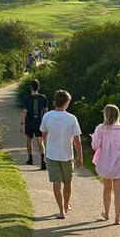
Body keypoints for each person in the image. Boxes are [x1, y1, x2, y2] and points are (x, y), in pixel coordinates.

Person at [40, 89, 82, 219]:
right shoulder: (71, 118)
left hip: (52, 154)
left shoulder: (47, 116)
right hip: (67, 155)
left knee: (56, 184)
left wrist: (47, 147)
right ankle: (66, 205)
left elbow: (43, 134)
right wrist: (80, 156)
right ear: (66, 102)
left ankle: (61, 210)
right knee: (67, 182)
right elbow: (77, 140)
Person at [91, 104, 120, 225]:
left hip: (105, 162)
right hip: (119, 163)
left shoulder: (100, 128)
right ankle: (117, 218)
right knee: (118, 191)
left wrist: (93, 138)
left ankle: (106, 213)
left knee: (107, 189)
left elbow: (95, 146)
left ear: (105, 114)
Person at [20, 79, 48, 168]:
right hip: (39, 122)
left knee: (29, 140)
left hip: (29, 122)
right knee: (40, 140)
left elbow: (25, 111)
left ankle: (30, 158)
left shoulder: (27, 98)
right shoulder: (43, 97)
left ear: (30, 88)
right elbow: (46, 111)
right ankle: (43, 158)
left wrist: (22, 123)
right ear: (38, 87)